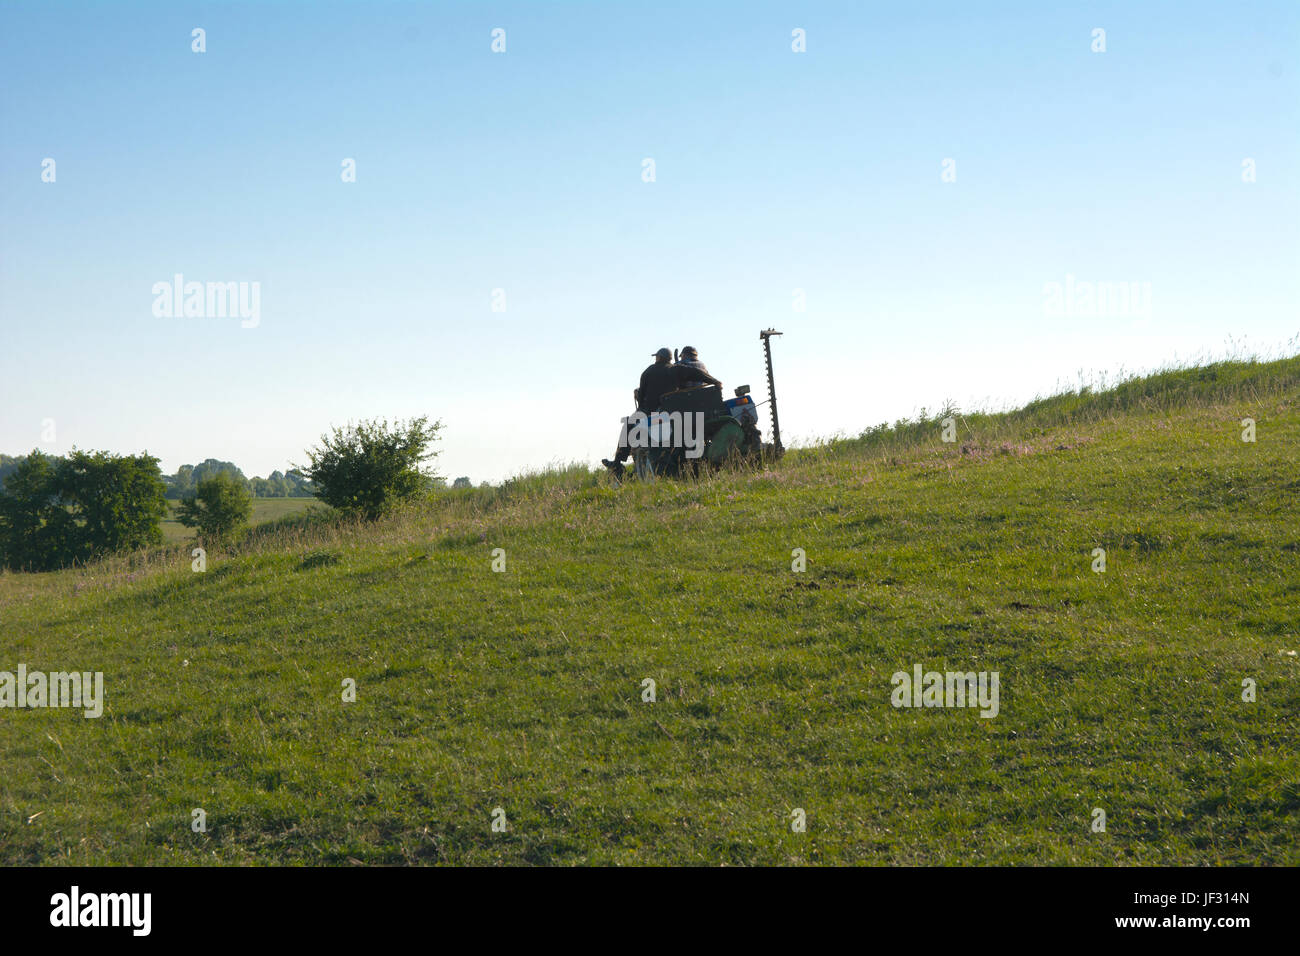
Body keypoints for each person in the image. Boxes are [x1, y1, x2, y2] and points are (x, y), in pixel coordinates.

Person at [602, 347, 721, 475]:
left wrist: (641, 402)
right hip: (674, 411)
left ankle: (617, 463)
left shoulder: (648, 371)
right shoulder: (676, 369)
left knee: (629, 425)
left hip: (653, 412)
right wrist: (714, 381)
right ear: (669, 358)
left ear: (658, 357)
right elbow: (696, 373)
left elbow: (642, 397)